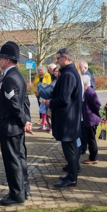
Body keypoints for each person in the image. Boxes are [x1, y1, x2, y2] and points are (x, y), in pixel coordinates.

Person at [0, 41, 33, 206]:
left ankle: (16, 194)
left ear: (8, 60)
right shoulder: (18, 76)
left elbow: (15, 104)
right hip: (16, 126)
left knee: (13, 161)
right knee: (20, 159)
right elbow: (25, 102)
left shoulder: (10, 78)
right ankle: (24, 190)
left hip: (10, 126)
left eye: (1, 58)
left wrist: (24, 120)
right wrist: (27, 120)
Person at [44, 48, 82, 187]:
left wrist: (50, 102)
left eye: (58, 58)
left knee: (70, 150)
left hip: (68, 119)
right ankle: (71, 174)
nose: (57, 60)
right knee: (69, 149)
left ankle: (72, 178)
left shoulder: (68, 74)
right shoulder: (69, 72)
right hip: (69, 118)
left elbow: (64, 99)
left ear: (65, 58)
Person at [81, 75, 102, 164]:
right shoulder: (86, 92)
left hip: (91, 120)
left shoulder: (90, 92)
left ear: (85, 84)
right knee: (89, 139)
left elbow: (97, 105)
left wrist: (98, 116)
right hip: (88, 119)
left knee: (91, 139)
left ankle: (94, 158)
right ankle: (92, 156)